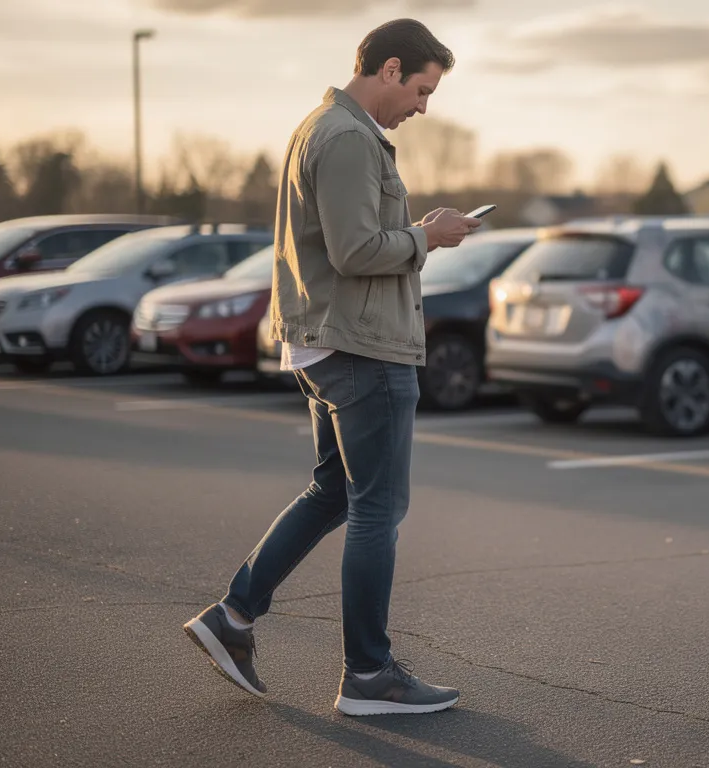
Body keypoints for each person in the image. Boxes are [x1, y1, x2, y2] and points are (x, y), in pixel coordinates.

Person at [183, 18, 480, 716]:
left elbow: (351, 240)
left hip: (331, 341)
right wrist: (426, 238)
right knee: (379, 507)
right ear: (390, 69)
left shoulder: (323, 127)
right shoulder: (347, 137)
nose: (422, 107)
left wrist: (418, 231)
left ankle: (234, 616)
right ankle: (370, 676)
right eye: (420, 90)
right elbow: (354, 251)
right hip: (363, 348)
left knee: (334, 494)